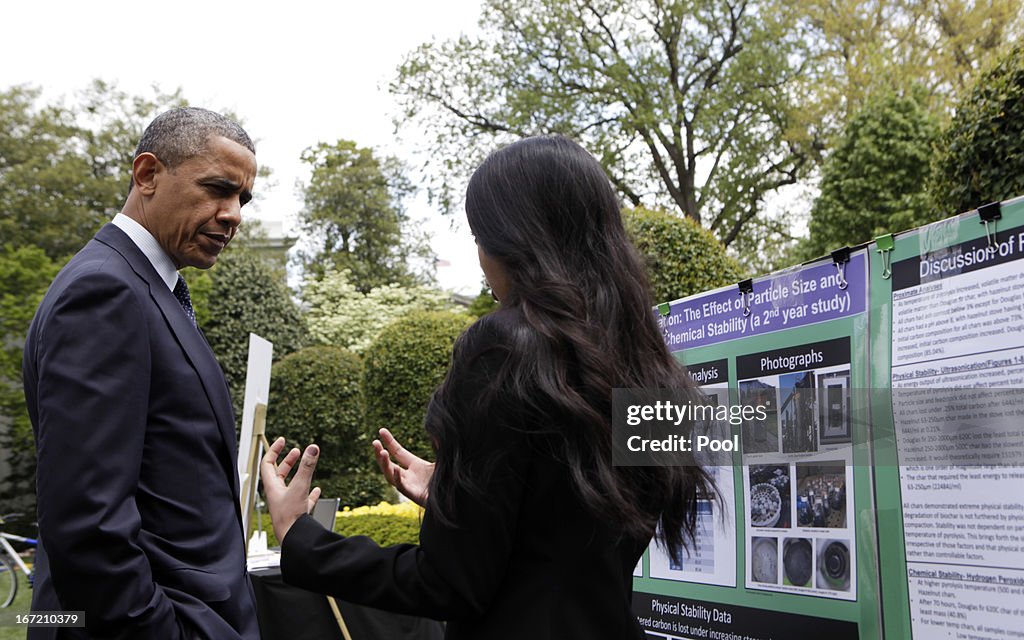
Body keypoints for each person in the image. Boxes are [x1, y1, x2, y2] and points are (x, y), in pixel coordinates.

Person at [261, 135, 713, 639]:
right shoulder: (652, 365)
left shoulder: (501, 346)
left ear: (515, 241)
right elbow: (583, 530)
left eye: (480, 237)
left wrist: (301, 538)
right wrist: (460, 498)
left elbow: (449, 585)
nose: (480, 260)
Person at [22, 107, 260, 640]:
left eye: (242, 198)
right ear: (148, 174)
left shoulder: (151, 289)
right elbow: (88, 523)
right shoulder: (104, 291)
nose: (234, 214)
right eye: (218, 189)